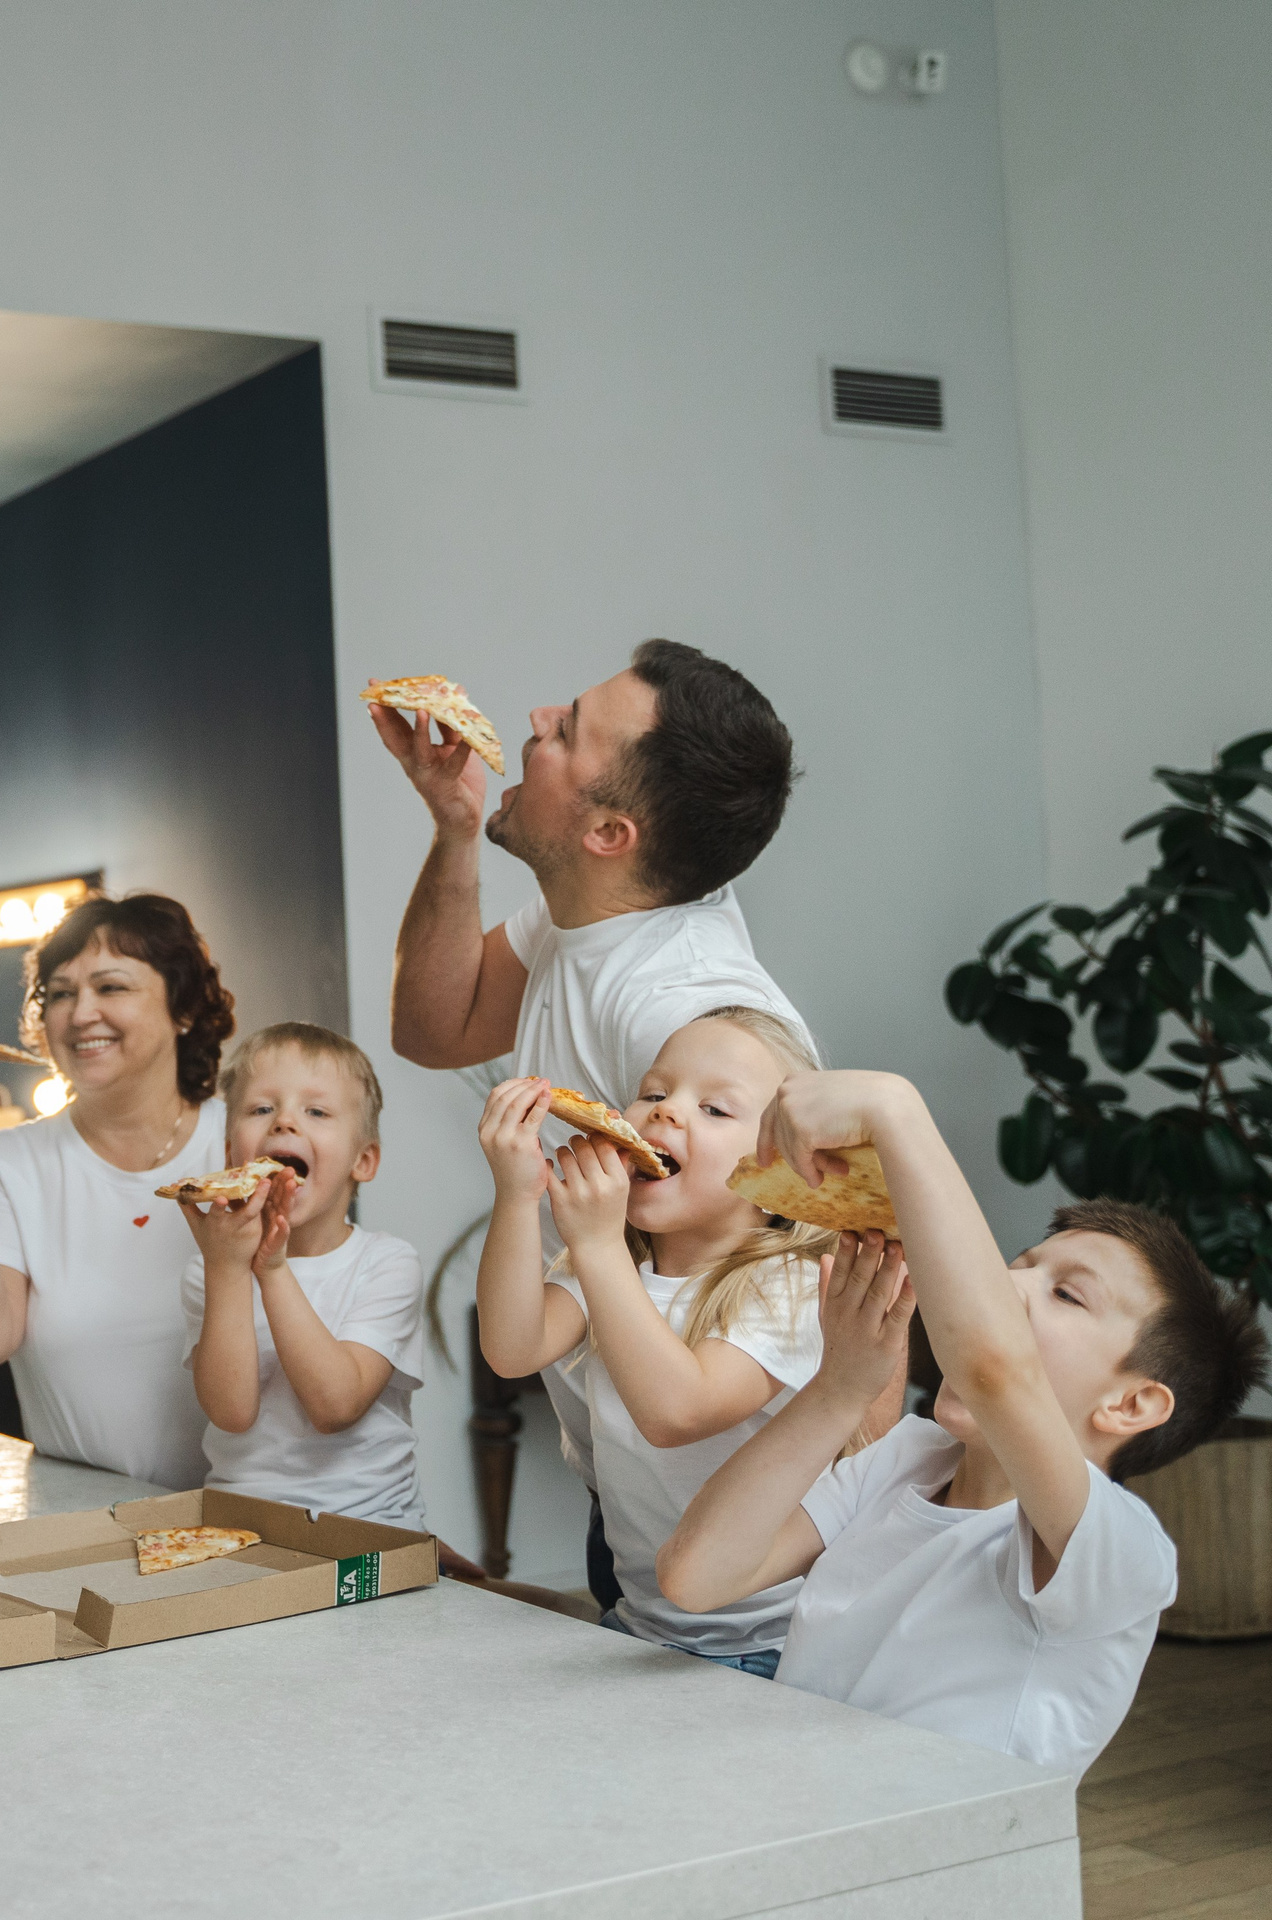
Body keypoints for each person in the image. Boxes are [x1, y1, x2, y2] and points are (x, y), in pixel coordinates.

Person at [659, 1072, 1268, 1774]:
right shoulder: (909, 1458)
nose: (1007, 1285)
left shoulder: (1120, 1551)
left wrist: (896, 1110)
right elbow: (696, 1577)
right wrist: (838, 1389)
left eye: (1067, 1295)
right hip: (805, 1808)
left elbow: (993, 1367)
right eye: (1016, 1266)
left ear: (1130, 1405)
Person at [372, 639, 811, 1598]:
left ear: (610, 833)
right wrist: (455, 826)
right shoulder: (592, 912)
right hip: (631, 1490)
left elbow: (832, 1245)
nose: (535, 721)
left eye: (566, 731)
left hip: (734, 1536)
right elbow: (434, 1028)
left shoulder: (685, 1009)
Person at [475, 1007, 833, 1673]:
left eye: (715, 1109)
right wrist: (517, 1197)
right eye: (654, 1092)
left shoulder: (791, 1286)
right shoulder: (615, 1267)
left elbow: (679, 1412)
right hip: (641, 1624)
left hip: (771, 1646)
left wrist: (597, 1246)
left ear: (782, 1171)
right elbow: (512, 1349)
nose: (666, 1112)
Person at [0, 894, 237, 1489]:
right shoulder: (8, 1164)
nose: (81, 1013)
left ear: (183, 1008)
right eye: (60, 994)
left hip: (250, 1514)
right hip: (82, 1516)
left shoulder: (245, 1147)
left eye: (111, 987)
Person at [178, 1023, 429, 1524]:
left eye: (316, 1111)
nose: (284, 1121)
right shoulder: (209, 1269)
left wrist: (272, 1271)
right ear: (231, 1157)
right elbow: (231, 1413)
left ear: (363, 1160)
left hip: (370, 1525)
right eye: (260, 1109)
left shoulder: (387, 1264)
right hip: (242, 1522)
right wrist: (228, 1271)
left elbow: (335, 1406)